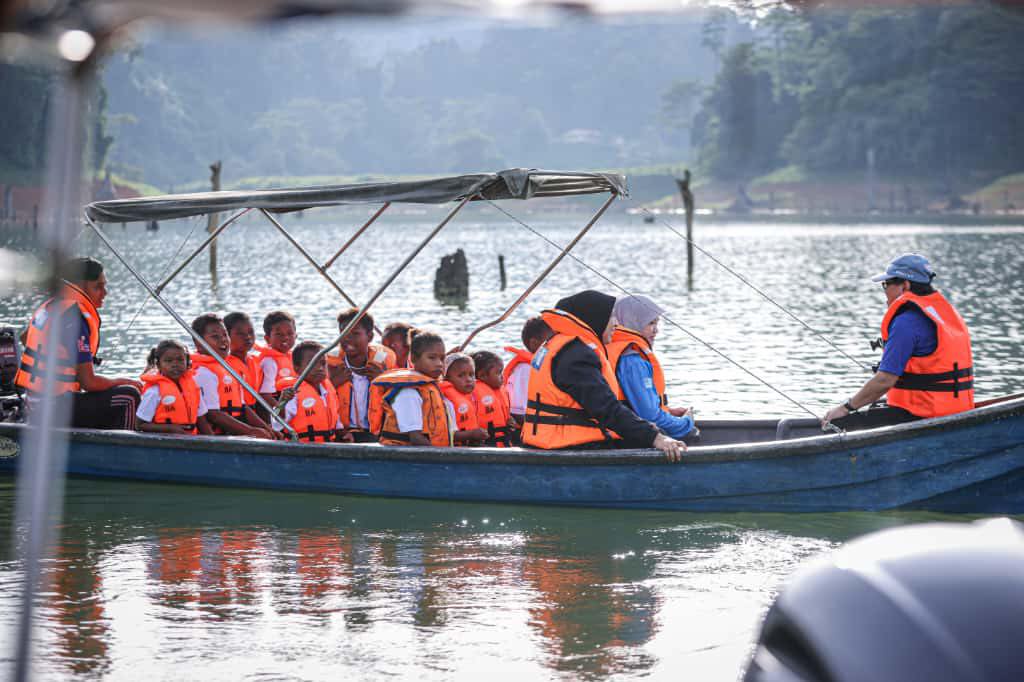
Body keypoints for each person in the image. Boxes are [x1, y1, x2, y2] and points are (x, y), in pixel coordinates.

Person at [521, 290, 685, 461]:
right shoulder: (575, 356)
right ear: (596, 319)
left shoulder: (562, 347)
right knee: (658, 438)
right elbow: (606, 408)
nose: (615, 324)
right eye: (611, 317)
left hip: (551, 441)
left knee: (652, 433)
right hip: (567, 447)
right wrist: (656, 437)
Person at [822, 253, 974, 430]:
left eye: (886, 284)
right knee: (874, 407)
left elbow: (885, 380)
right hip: (957, 411)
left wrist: (845, 407)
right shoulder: (942, 313)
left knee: (837, 422)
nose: (884, 291)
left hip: (922, 416)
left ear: (905, 286)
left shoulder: (906, 322)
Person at [15, 257, 142, 429]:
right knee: (129, 396)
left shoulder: (54, 305)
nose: (105, 293)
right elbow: (88, 383)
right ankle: (123, 452)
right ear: (80, 286)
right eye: (98, 286)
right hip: (52, 408)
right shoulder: (74, 316)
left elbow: (25, 338)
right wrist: (121, 380)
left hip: (35, 403)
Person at [608, 294, 697, 441]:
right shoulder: (632, 361)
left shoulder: (615, 349)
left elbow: (635, 405)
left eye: (657, 323)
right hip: (633, 437)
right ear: (633, 321)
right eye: (650, 323)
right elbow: (649, 416)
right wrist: (685, 422)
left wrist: (667, 411)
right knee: (691, 433)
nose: (656, 330)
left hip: (625, 430)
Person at [189, 313, 277, 439]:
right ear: (199, 344)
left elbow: (242, 407)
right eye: (215, 337)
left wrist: (267, 429)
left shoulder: (227, 368)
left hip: (233, 433)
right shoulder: (203, 373)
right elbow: (213, 414)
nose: (223, 340)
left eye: (225, 335)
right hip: (217, 436)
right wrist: (250, 431)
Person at [369, 330, 453, 447]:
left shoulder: (433, 389)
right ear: (413, 358)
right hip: (405, 456)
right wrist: (441, 455)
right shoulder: (408, 393)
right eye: (432, 358)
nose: (439, 363)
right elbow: (415, 438)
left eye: (442, 358)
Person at [327, 308, 397, 442]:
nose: (347, 338)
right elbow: (319, 399)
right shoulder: (330, 366)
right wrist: (333, 384)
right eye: (343, 332)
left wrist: (384, 382)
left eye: (355, 333)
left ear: (370, 337)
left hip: (376, 434)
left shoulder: (384, 365)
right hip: (342, 434)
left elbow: (399, 401)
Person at [274, 341, 345, 443]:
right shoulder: (293, 392)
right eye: (312, 363)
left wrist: (343, 433)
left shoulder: (328, 390)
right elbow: (277, 424)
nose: (320, 368)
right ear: (296, 368)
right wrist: (281, 403)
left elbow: (335, 419)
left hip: (328, 445)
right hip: (301, 447)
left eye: (323, 363)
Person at [137, 340, 211, 435]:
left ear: (187, 362)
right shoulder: (154, 391)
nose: (175, 365)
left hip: (190, 440)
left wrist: (214, 442)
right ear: (159, 365)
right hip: (166, 441)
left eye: (180, 360)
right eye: (169, 361)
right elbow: (140, 424)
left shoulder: (193, 388)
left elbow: (201, 420)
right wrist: (170, 428)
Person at [504, 316, 553, 427]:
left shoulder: (542, 367)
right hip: (526, 431)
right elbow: (517, 412)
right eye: (551, 341)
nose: (556, 344)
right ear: (534, 343)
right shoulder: (525, 370)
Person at [439, 353, 487, 445]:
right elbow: (447, 435)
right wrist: (472, 434)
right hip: (457, 451)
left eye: (471, 375)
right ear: (447, 379)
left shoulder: (472, 396)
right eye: (461, 375)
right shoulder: (447, 401)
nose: (468, 379)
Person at [471, 350, 516, 447]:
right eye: (498, 373)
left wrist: (509, 421)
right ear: (482, 375)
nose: (502, 377)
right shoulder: (472, 393)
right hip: (486, 445)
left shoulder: (501, 391)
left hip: (504, 443)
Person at [255, 310, 297, 407]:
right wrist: (281, 413)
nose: (285, 337)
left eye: (290, 333)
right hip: (278, 406)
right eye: (279, 334)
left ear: (296, 336)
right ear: (267, 339)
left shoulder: (294, 357)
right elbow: (264, 394)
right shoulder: (269, 362)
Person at [223, 311, 264, 408]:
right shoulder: (225, 365)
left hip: (254, 411)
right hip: (238, 415)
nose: (248, 337)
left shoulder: (256, 361)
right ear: (226, 337)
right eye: (240, 333)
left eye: (250, 332)